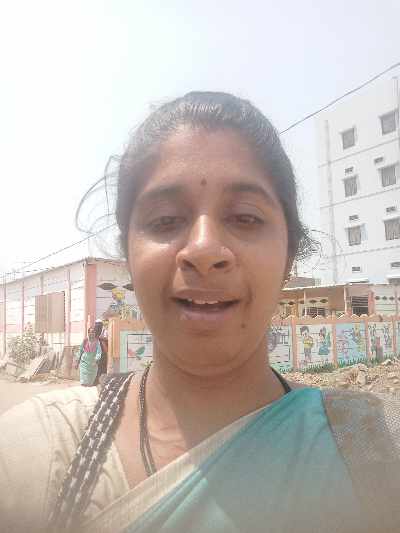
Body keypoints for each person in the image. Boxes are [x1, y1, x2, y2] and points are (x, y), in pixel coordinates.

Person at [0, 92, 399, 533]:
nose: (204, 249)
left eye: (245, 217)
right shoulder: (37, 454)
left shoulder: (376, 447)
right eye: (166, 220)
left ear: (288, 257)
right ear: (128, 257)